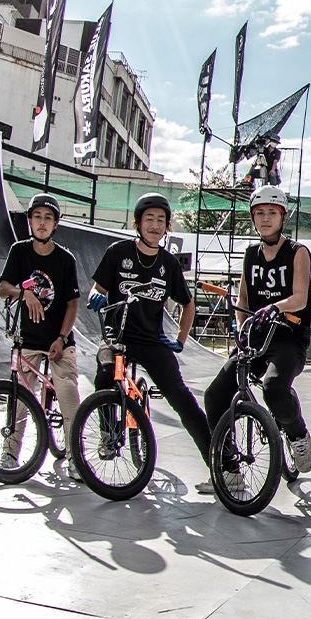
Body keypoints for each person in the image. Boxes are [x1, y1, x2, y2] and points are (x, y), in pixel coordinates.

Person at [86, 193, 212, 472]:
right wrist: (96, 295)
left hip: (151, 341)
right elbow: (98, 288)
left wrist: (180, 340)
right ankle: (108, 434)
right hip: (117, 338)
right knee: (105, 373)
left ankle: (222, 466)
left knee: (183, 401)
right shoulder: (118, 252)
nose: (154, 225)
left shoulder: (169, 263)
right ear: (138, 223)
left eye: (161, 220)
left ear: (167, 226)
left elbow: (188, 306)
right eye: (149, 219)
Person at [202, 184, 311, 493]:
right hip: (256, 337)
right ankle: (228, 469)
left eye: (272, 213)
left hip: (288, 337)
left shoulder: (297, 252)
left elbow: (300, 297)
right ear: (253, 218)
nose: (265, 219)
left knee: (274, 387)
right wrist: (242, 328)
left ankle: (296, 435)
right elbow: (243, 297)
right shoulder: (250, 254)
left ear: (283, 216)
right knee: (214, 396)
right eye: (259, 213)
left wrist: (273, 308)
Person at [0, 193, 82, 466]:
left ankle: (74, 459)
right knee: (20, 397)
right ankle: (9, 453)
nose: (42, 223)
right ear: (30, 222)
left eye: (48, 218)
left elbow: (72, 303)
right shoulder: (19, 251)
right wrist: (24, 293)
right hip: (29, 340)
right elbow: (3, 289)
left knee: (68, 395)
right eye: (37, 217)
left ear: (55, 224)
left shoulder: (66, 260)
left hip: (59, 340)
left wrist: (62, 337)